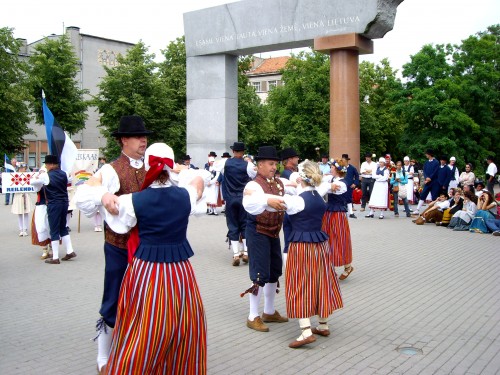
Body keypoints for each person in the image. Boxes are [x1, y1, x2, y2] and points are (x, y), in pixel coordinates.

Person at [91, 143, 207, 374]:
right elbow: (199, 181)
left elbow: (117, 220)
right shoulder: (186, 195)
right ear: (171, 166)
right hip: (179, 270)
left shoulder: (133, 200)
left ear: (147, 166)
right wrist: (183, 171)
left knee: (145, 321)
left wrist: (104, 195)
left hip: (147, 269)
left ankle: (136, 364)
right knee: (181, 319)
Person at [75, 115, 151, 373]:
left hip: (147, 247)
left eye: (145, 136)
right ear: (123, 140)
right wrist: (103, 193)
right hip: (118, 246)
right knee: (114, 295)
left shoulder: (152, 165)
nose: (143, 140)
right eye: (138, 136)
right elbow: (84, 193)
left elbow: (189, 176)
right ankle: (103, 356)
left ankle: (137, 346)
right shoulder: (110, 170)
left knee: (145, 298)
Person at [282, 161, 343, 348]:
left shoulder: (297, 200)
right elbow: (323, 187)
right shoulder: (319, 196)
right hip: (320, 245)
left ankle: (306, 331)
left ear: (300, 178)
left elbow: (273, 202)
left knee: (299, 283)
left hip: (301, 246)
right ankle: (323, 325)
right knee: (321, 281)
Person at [241, 146, 289, 333]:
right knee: (259, 274)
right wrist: (268, 200)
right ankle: (253, 316)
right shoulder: (252, 185)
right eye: (270, 163)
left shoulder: (278, 183)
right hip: (258, 231)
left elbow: (291, 189)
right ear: (260, 165)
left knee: (274, 272)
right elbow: (251, 201)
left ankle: (269, 311)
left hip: (274, 232)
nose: (273, 167)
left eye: (275, 164)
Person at [31, 155, 76, 264]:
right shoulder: (64, 173)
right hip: (65, 203)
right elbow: (70, 178)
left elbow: (32, 182)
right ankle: (70, 251)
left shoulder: (46, 175)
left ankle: (55, 257)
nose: (45, 166)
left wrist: (38, 176)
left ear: (51, 164)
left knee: (54, 229)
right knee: (63, 227)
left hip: (53, 204)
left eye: (46, 164)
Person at [221, 142, 256, 266]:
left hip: (230, 198)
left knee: (232, 225)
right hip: (243, 198)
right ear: (242, 152)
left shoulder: (225, 163)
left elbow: (217, 174)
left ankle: (236, 254)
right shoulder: (248, 165)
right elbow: (255, 176)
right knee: (244, 224)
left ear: (233, 151)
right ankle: (246, 252)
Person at [320, 159, 354, 280]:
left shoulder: (342, 183)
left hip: (338, 214)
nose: (330, 168)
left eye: (332, 167)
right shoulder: (331, 179)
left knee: (339, 238)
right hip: (328, 212)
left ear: (337, 170)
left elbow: (328, 189)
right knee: (328, 238)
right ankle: (330, 268)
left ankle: (347, 266)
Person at [31, 166, 52, 259]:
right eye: (41, 172)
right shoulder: (38, 183)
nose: (41, 173)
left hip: (50, 206)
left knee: (50, 227)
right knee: (41, 227)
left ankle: (51, 248)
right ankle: (44, 249)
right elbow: (33, 183)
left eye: (44, 172)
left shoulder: (50, 182)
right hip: (40, 206)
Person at [413, 149, 440, 216]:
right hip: (427, 182)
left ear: (430, 154)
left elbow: (435, 171)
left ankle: (435, 210)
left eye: (426, 154)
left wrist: (430, 178)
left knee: (434, 196)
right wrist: (426, 178)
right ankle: (417, 209)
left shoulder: (436, 162)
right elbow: (424, 171)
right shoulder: (426, 162)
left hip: (434, 182)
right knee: (423, 195)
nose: (426, 155)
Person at [11, 163, 32, 236]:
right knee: (19, 212)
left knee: (26, 212)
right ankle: (21, 229)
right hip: (18, 195)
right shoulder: (15, 175)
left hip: (26, 195)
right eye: (20, 168)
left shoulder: (28, 176)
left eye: (23, 168)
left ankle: (25, 228)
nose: (22, 169)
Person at [342, 153, 360, 218]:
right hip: (342, 185)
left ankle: (351, 213)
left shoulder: (352, 168)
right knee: (341, 198)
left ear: (346, 160)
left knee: (349, 199)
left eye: (343, 160)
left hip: (349, 186)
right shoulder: (340, 168)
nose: (342, 161)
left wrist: (355, 183)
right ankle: (343, 212)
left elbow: (357, 176)